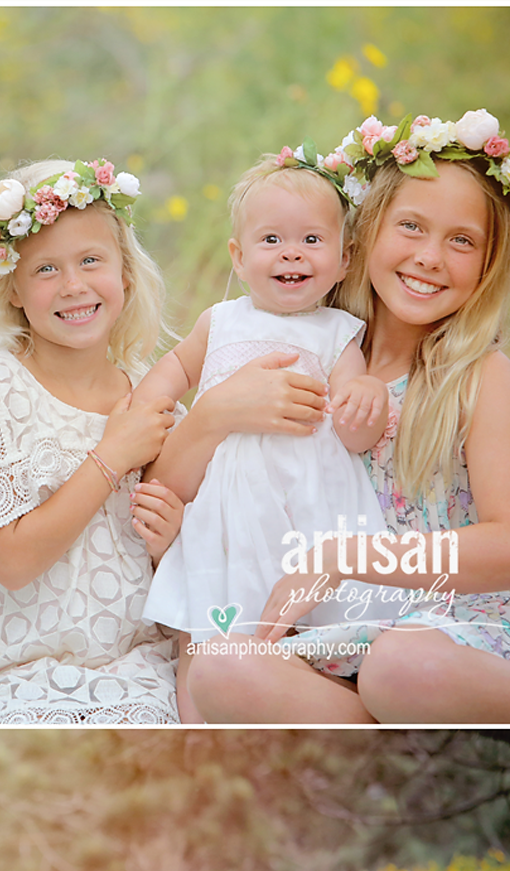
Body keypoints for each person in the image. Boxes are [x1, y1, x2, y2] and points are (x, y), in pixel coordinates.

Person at [163, 112, 510, 723]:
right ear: (364, 235)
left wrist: (341, 557)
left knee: (403, 667)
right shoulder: (314, 352)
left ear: (487, 264)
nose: (430, 257)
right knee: (223, 667)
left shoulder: (475, 375)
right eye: (412, 227)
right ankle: (419, 775)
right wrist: (211, 417)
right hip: (351, 630)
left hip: (467, 631)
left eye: (462, 241)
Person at [0, 159, 183, 723]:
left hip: (141, 674)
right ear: (14, 288)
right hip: (16, 681)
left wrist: (170, 545)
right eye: (46, 269)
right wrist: (112, 457)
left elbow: (180, 577)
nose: (73, 286)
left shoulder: (155, 400)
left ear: (125, 275)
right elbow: (13, 561)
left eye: (91, 261)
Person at [143, 152, 398, 690]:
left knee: (303, 628)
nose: (292, 254)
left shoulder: (338, 331)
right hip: (228, 512)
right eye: (271, 240)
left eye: (311, 240)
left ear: (345, 259)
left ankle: (308, 700)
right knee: (209, 624)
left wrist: (366, 399)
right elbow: (172, 370)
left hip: (309, 505)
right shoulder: (219, 321)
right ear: (238, 257)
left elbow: (356, 430)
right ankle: (199, 725)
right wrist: (145, 407)